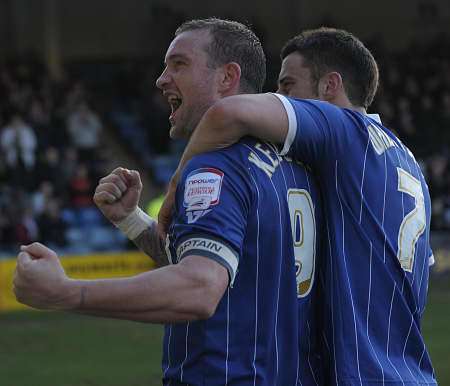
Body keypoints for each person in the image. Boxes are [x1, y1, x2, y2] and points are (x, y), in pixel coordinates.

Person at [13, 19, 323, 386]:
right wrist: (131, 221)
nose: (161, 79)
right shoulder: (291, 165)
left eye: (179, 64)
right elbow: (224, 274)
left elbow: (200, 288)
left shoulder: (217, 166)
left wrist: (65, 292)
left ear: (227, 77)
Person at [159, 28, 437, 385]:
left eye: (288, 85)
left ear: (329, 86)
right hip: (410, 372)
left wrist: (175, 186)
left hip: (364, 375)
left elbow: (228, 112)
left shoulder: (346, 132)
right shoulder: (406, 162)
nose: (278, 96)